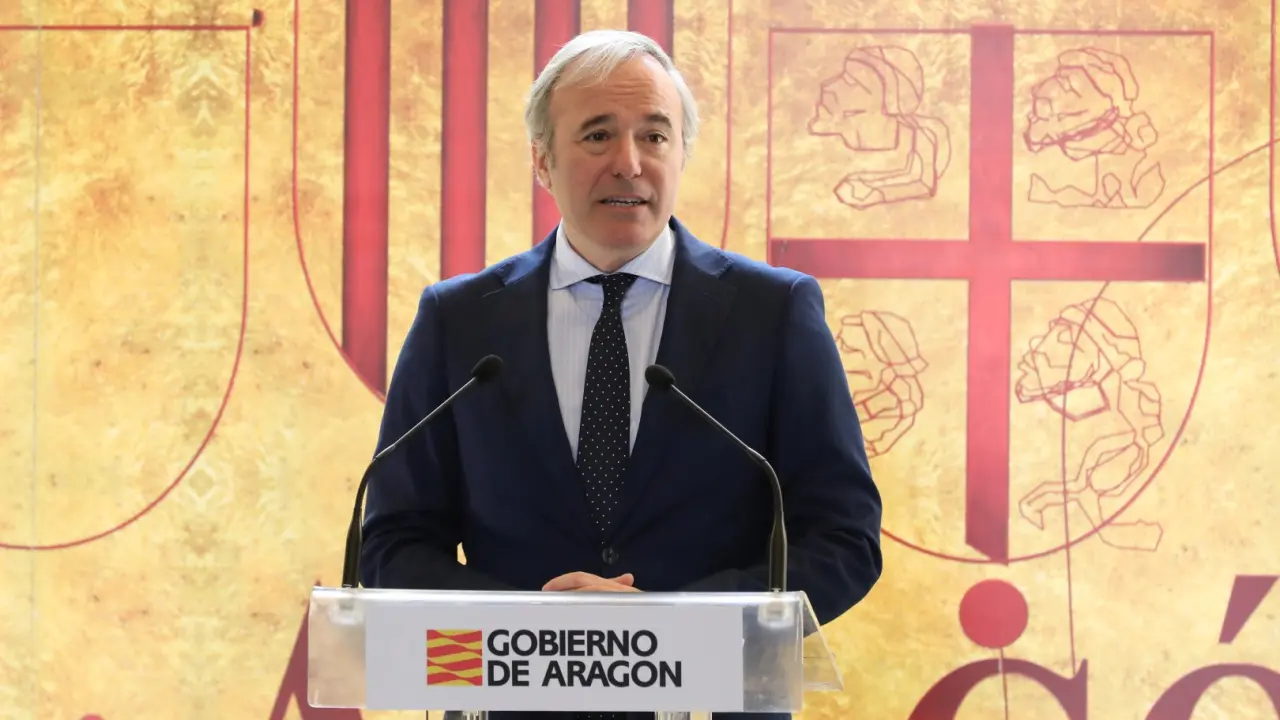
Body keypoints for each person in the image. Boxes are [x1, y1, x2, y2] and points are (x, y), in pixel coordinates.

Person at [360, 29, 884, 719]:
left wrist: (665, 628)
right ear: (542, 160)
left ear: (682, 153)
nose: (629, 164)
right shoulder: (458, 321)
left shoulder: (774, 311)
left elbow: (843, 537)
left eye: (655, 136)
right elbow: (393, 544)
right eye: (598, 135)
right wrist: (537, 633)